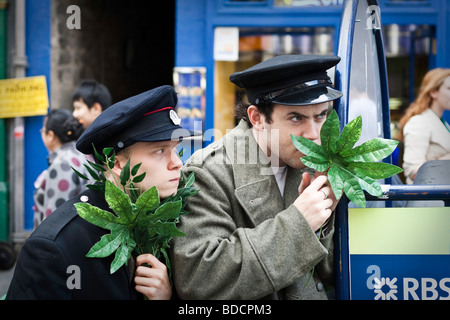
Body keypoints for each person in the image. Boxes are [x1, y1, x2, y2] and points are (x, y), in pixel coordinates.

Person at [170, 54, 342, 300]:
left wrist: (322, 224)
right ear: (257, 118)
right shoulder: (209, 172)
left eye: (321, 116)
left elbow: (332, 273)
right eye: (296, 118)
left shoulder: (318, 163)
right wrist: (300, 223)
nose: (314, 134)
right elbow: (199, 278)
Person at [6, 85, 195, 299]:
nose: (178, 163)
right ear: (116, 163)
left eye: (175, 149)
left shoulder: (168, 223)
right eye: (160, 151)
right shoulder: (55, 248)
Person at [33, 109, 88, 228]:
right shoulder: (83, 155)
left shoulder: (62, 164)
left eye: (43, 130)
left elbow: (53, 220)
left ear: (51, 135)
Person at [398, 68, 450, 184]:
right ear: (433, 92)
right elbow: (413, 171)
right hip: (428, 199)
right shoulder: (419, 122)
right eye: (449, 88)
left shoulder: (443, 122)